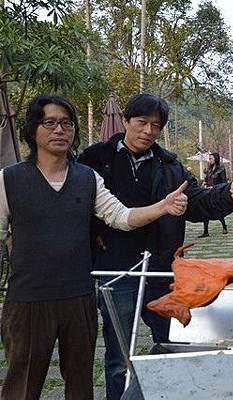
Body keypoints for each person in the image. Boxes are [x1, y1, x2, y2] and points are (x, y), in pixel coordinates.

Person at [0, 94, 189, 400]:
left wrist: (162, 206)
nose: (60, 130)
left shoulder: (88, 178)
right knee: (22, 386)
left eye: (67, 123)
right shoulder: (8, 180)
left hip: (79, 298)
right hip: (28, 301)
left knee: (80, 385)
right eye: (50, 122)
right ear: (32, 129)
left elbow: (122, 217)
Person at [78, 93, 233, 400]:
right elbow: (77, 205)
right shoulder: (94, 160)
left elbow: (196, 201)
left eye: (156, 126)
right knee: (119, 354)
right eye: (142, 122)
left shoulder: (169, 165)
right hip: (117, 269)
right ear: (126, 121)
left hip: (161, 269)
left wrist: (228, 195)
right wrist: (94, 233)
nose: (148, 131)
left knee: (172, 342)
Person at [199, 151, 228, 237]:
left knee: (217, 210)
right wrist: (204, 183)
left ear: (216, 159)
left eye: (211, 158)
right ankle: (206, 231)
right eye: (209, 158)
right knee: (205, 210)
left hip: (216, 192)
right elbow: (206, 179)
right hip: (207, 192)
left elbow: (224, 182)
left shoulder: (221, 169)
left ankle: (224, 226)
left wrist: (214, 187)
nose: (209, 160)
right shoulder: (209, 169)